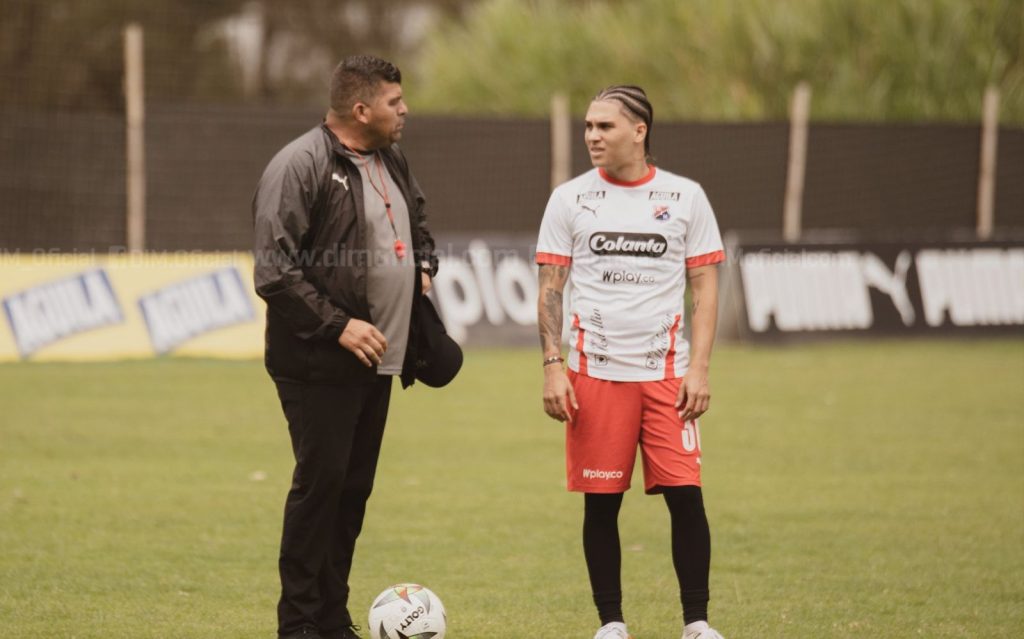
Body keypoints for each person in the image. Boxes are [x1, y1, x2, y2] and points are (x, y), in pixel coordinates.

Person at [253, 55, 438, 639]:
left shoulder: (392, 157)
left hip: (377, 361)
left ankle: (333, 620)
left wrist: (424, 267)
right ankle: (300, 626)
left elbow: (420, 221)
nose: (404, 109)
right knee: (320, 488)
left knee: (352, 491)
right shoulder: (299, 165)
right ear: (361, 109)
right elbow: (274, 271)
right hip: (318, 361)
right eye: (393, 101)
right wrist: (339, 326)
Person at [535, 85, 727, 639]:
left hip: (668, 376)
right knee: (601, 505)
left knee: (687, 498)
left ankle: (697, 623)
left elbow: (704, 288)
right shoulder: (569, 199)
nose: (592, 136)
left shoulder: (685, 197)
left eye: (605, 127)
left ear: (639, 131)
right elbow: (550, 286)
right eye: (588, 127)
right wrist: (553, 365)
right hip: (594, 375)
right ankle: (612, 624)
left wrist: (701, 368)